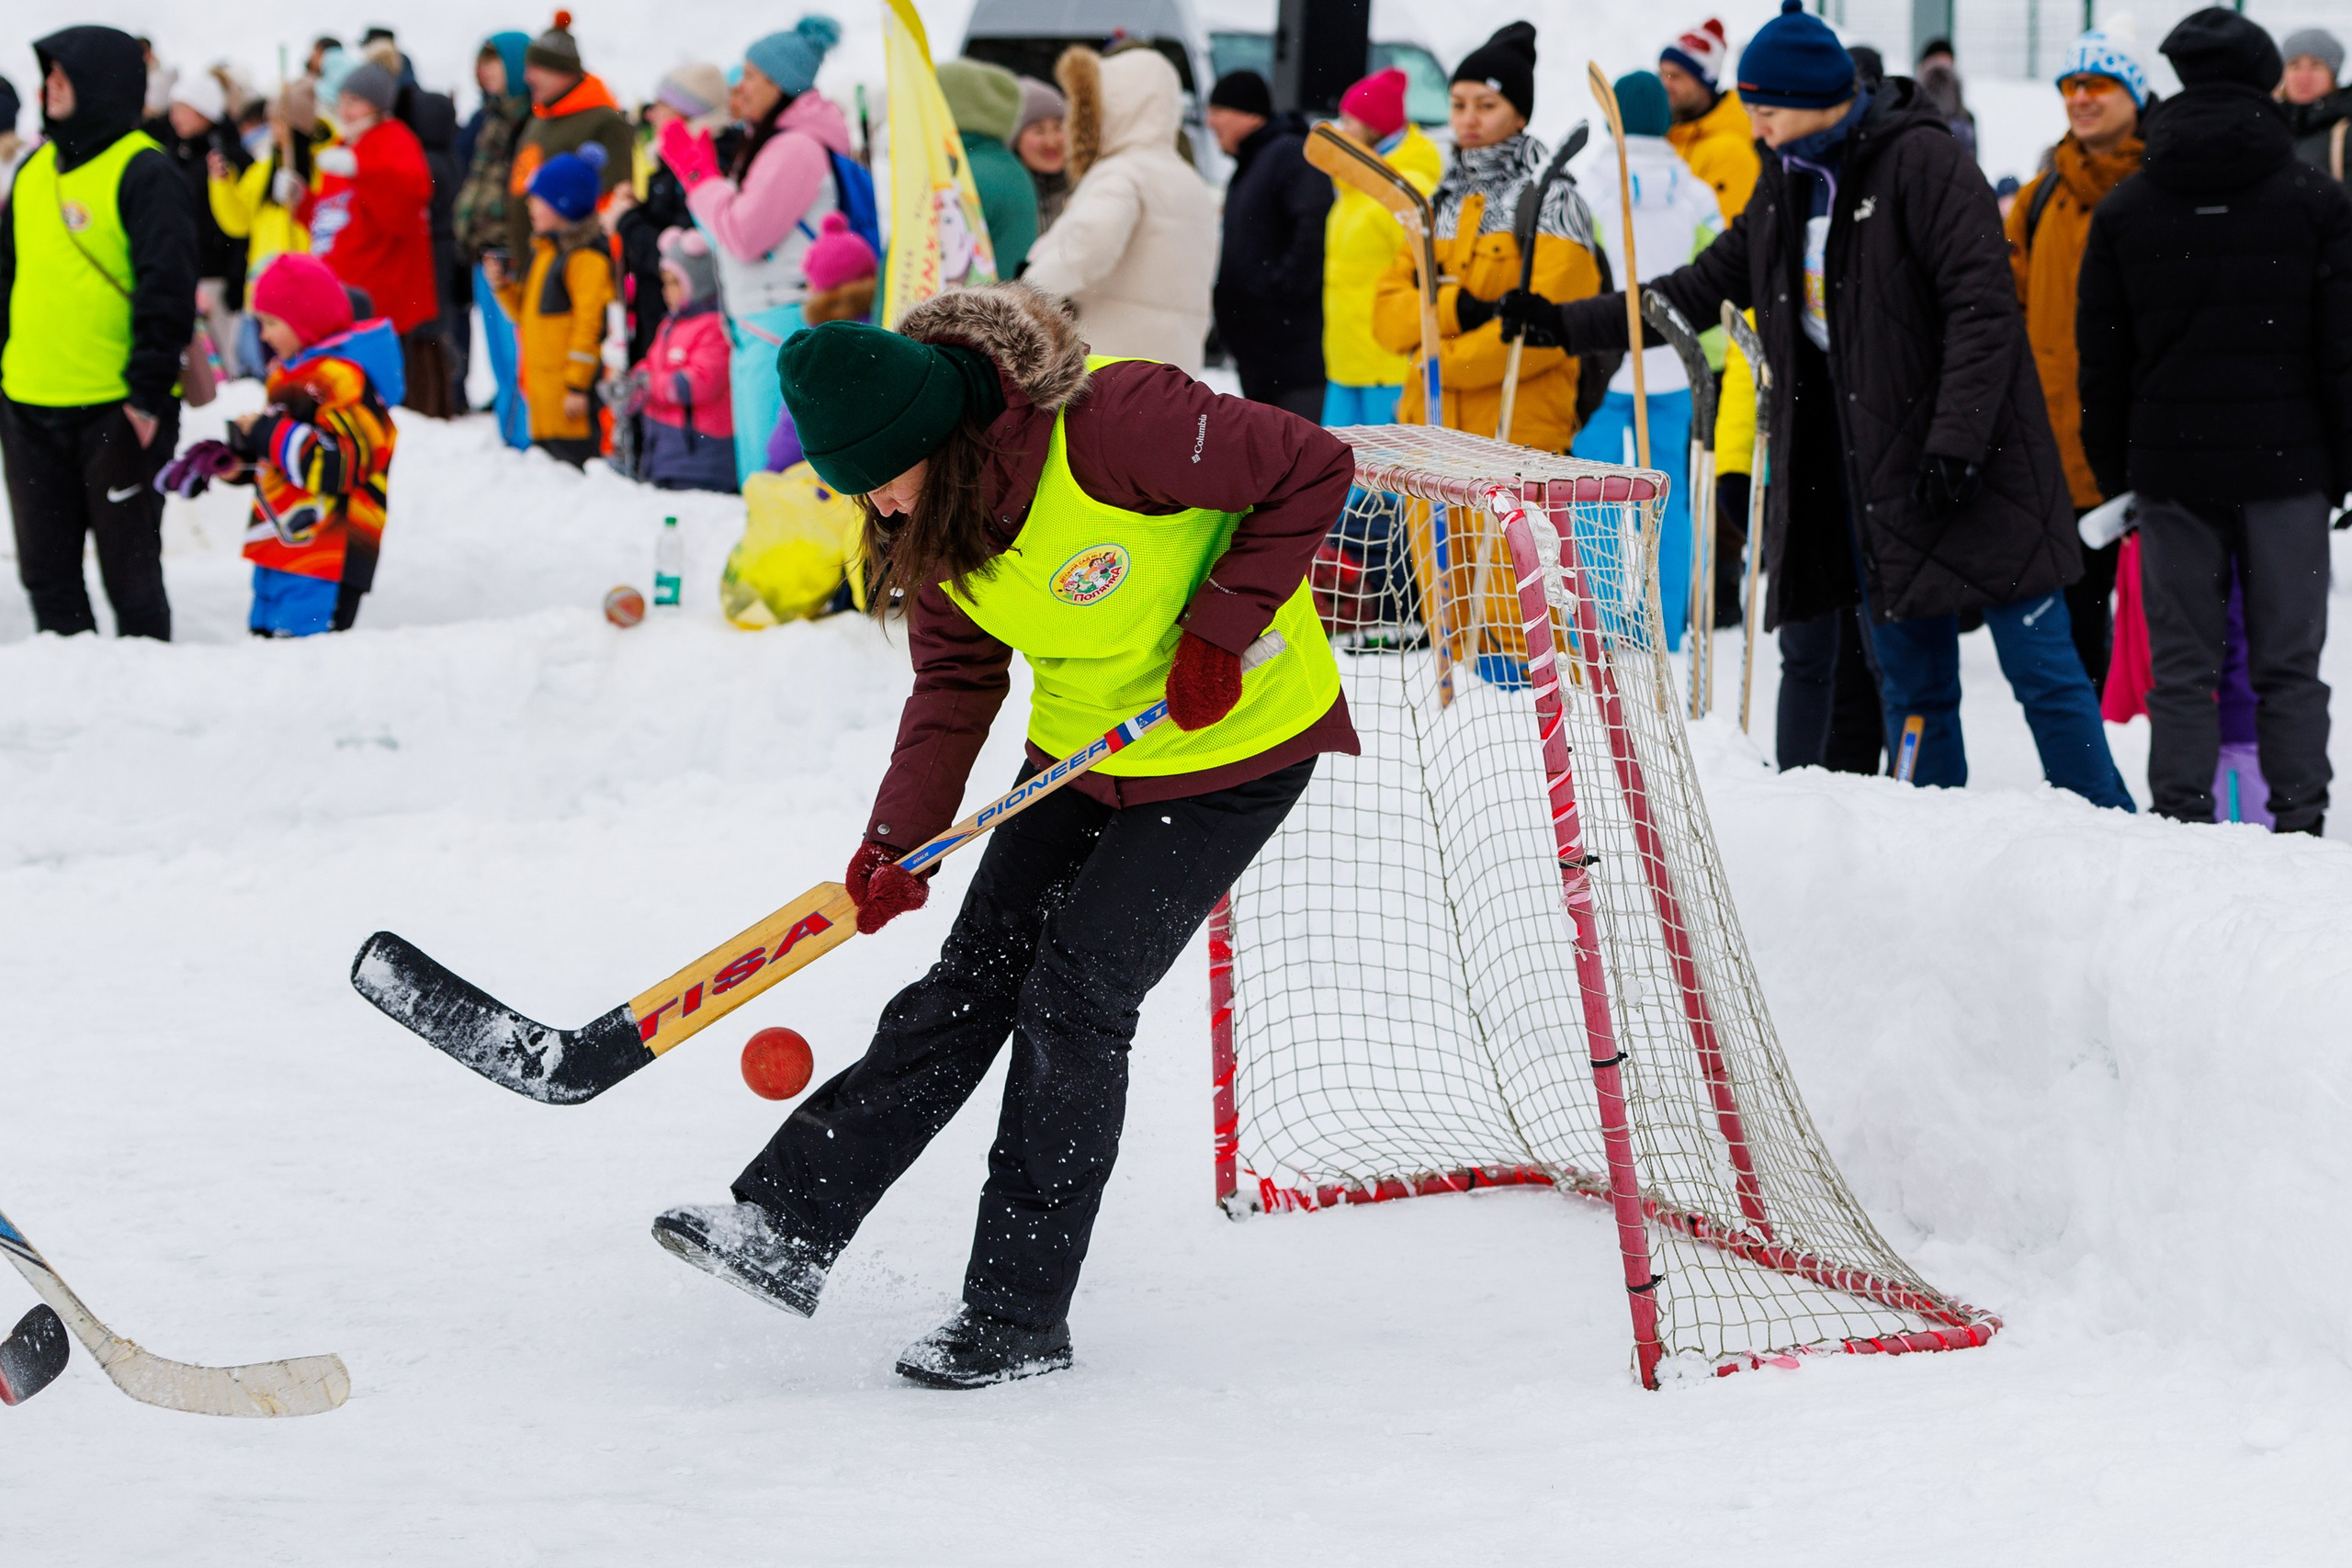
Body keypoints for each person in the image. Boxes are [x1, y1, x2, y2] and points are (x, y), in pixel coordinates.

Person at [650, 279, 1357, 1389]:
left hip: (1230, 748)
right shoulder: (931, 523)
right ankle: (786, 1223)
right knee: (968, 982)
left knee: (1076, 999)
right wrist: (898, 839)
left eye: (880, 480)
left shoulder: (1123, 425)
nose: (878, 510)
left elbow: (1314, 464)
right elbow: (953, 687)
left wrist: (1222, 626)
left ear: (933, 433)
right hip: (1082, 755)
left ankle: (1018, 1315)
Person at [1503, 0, 2132, 807]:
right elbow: (1695, 290)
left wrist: (1959, 443)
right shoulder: (1784, 184)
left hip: (1986, 468)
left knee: (2045, 676)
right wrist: (1564, 323)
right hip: (1882, 481)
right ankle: (1929, 845)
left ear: (1812, 97)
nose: (1756, 128)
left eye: (1765, 111)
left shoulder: (1924, 164)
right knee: (1914, 689)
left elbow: (1982, 312)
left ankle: (2117, 843)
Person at [2078, 8, 2352, 833]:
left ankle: (2182, 823)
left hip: (2173, 469)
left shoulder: (2126, 210)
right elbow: (2341, 352)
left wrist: (2118, 475)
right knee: (2289, 668)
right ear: (2268, 78)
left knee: (2183, 667)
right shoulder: (2316, 201)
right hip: (2290, 469)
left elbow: (2103, 364)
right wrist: (2343, 466)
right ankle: (2300, 824)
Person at [0, 26, 195, 641]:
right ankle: (75, 701)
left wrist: (146, 395)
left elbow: (168, 291)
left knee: (131, 577)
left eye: (62, 76)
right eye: (47, 76)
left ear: (99, 82)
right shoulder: (32, 168)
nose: (47, 88)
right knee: (47, 574)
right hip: (29, 402)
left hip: (114, 408)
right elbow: (8, 278)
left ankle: (148, 704)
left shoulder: (145, 170)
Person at [1371, 21, 1601, 451]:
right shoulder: (1439, 202)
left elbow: (1551, 329)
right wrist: (1456, 310)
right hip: (1429, 439)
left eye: (1486, 105)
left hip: (1515, 441)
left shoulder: (1552, 200)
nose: (1468, 119)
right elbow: (1386, 314)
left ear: (1520, 114)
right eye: (1457, 105)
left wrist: (1437, 359)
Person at [2007, 25, 2147, 692]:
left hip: (2148, 443)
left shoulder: (2163, 188)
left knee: (2167, 634)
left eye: (2099, 85)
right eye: (2071, 86)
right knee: (2077, 622)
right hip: (2057, 447)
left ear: (2134, 95)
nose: (2082, 98)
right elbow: (1999, 312)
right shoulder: (2037, 202)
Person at [661, 16, 850, 486]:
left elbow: (745, 236)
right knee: (765, 475)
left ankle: (775, 558)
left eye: (749, 75)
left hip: (777, 321)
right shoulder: (780, 143)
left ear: (780, 83)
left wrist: (700, 180)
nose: (738, 87)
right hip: (765, 318)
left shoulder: (795, 148)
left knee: (772, 479)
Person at [1569, 70, 1721, 652]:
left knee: (1596, 494)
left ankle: (1601, 620)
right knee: (1669, 498)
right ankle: (1665, 619)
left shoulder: (1590, 187)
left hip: (1603, 370)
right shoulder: (1696, 192)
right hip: (1673, 372)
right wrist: (1699, 361)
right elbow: (1716, 287)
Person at [214, 254, 401, 635]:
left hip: (328, 553)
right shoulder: (290, 373)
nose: (263, 335)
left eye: (270, 323)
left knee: (306, 661)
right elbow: (288, 457)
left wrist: (267, 433)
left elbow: (338, 465)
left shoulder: (342, 380)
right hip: (280, 545)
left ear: (305, 319)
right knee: (270, 654)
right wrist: (241, 461)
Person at [1023, 45, 1217, 372]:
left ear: (1115, 107)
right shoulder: (1191, 182)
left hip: (1112, 364)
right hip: (1173, 367)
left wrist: (1026, 291)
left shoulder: (1123, 173)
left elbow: (1088, 248)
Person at [301, 62, 438, 408]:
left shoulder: (396, 140)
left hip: (380, 292)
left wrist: (362, 171)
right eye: (343, 100)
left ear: (377, 105)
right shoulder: (343, 143)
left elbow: (404, 208)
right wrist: (299, 202)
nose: (345, 110)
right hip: (341, 288)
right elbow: (331, 219)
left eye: (355, 101)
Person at [1319, 68, 1440, 427]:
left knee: (1386, 478)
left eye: (1350, 121)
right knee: (1337, 476)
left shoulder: (1404, 187)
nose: (1342, 130)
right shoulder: (1354, 185)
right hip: (1346, 361)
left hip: (1389, 366)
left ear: (1376, 126)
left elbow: (1424, 274)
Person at [1205, 70, 1329, 419]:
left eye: (1217, 111)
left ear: (1247, 113)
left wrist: (1281, 291)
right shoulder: (1253, 160)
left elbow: (1314, 225)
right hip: (1262, 350)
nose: (1210, 121)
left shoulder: (1288, 153)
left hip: (1291, 354)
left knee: (1297, 455)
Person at [492, 144, 616, 467]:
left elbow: (590, 325)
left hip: (570, 405)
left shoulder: (585, 258)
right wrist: (504, 287)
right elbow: (528, 316)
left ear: (564, 204)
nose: (530, 206)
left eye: (538, 199)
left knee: (574, 485)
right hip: (545, 403)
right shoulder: (546, 251)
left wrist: (577, 386)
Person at [610, 64, 719, 367]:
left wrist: (626, 220)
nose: (651, 114)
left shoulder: (702, 161)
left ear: (686, 111)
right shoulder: (674, 161)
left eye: (661, 105)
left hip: (685, 332)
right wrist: (638, 209)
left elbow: (682, 253)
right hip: (664, 319)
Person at [505, 12, 635, 267]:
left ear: (561, 71)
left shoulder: (603, 121)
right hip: (535, 265)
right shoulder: (541, 119)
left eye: (536, 68)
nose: (527, 78)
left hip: (571, 271)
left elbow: (611, 199)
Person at [456, 32, 532, 447]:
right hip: (484, 253)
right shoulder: (487, 118)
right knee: (499, 358)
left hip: (512, 253)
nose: (485, 71)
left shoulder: (528, 119)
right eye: (481, 61)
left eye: (495, 61)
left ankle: (523, 439)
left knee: (516, 352)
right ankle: (507, 434)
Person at [630, 229, 732, 491]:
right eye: (665, 283)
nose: (667, 291)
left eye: (675, 282)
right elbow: (651, 364)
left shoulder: (714, 326)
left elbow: (700, 381)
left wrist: (651, 385)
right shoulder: (669, 325)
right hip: (666, 449)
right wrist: (634, 382)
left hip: (702, 456)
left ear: (698, 281)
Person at [937, 59, 1039, 278]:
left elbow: (925, 269)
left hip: (966, 311)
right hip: (1002, 306)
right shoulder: (1004, 166)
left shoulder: (961, 177)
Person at [1660, 17, 1761, 221]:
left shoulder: (1731, 149)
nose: (1664, 84)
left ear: (1704, 82)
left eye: (1676, 76)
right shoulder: (1668, 135)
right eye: (1661, 74)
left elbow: (1723, 236)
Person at [2281, 28, 2348, 180]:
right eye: (2295, 65)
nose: (2304, 77)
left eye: (2316, 66)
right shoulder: (2265, 126)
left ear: (2332, 75)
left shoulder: (2345, 133)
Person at [1012, 76, 1069, 233]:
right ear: (1015, 140)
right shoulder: (1007, 195)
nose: (1051, 142)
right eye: (1038, 131)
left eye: (1058, 128)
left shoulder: (1086, 187)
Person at [1914, 37, 1977, 158]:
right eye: (1936, 61)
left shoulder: (1965, 118)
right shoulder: (1911, 110)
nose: (1942, 68)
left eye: (1946, 62)